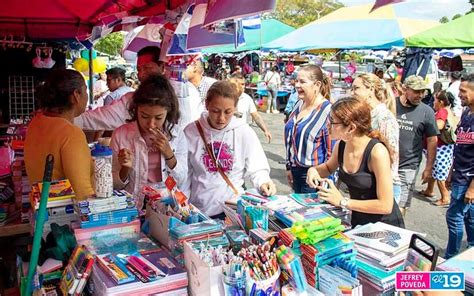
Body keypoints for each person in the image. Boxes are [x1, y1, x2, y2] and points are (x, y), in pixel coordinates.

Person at [306, 97, 405, 228]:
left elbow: (385, 205)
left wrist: (342, 201)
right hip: (359, 220)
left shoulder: (377, 152)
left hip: (384, 226)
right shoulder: (341, 145)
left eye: (332, 122)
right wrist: (313, 170)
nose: (327, 125)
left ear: (351, 128)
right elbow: (328, 167)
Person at [184, 80, 276, 219]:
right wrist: (183, 205)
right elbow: (185, 175)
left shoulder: (244, 131)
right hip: (200, 211)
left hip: (233, 210)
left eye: (228, 112)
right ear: (207, 105)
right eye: (215, 111)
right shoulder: (191, 132)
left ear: (235, 108)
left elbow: (257, 166)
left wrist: (263, 181)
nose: (221, 118)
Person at [74, 46, 201, 130]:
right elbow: (99, 117)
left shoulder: (187, 93)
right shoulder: (133, 100)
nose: (141, 74)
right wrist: (66, 119)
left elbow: (191, 127)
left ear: (162, 67)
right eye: (139, 69)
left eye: (147, 68)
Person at [110, 75, 187, 198]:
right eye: (144, 116)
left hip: (165, 205)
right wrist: (125, 168)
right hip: (133, 206)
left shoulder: (176, 135)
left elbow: (182, 181)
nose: (151, 124)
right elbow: (114, 185)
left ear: (168, 112)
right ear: (136, 110)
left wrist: (169, 155)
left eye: (158, 118)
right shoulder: (121, 135)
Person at [25, 69, 94, 199]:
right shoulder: (71, 134)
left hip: (42, 211)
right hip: (65, 215)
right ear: (76, 95)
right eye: (85, 90)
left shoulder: (36, 122)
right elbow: (83, 193)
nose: (87, 95)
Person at [351, 73, 401, 203]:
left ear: (371, 89)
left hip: (384, 188)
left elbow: (392, 156)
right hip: (368, 185)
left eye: (356, 88)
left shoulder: (384, 118)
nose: (352, 93)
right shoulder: (367, 115)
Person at [284, 65, 333, 194]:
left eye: (302, 82)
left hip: (314, 177)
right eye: (297, 80)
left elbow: (331, 152)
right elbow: (290, 138)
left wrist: (326, 181)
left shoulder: (328, 111)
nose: (297, 85)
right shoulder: (299, 104)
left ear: (317, 85)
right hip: (295, 172)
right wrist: (289, 167)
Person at [396, 75, 439, 216]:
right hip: (386, 162)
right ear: (404, 89)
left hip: (409, 166)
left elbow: (432, 140)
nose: (420, 95)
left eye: (423, 92)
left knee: (400, 206)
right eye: (416, 91)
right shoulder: (391, 105)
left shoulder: (427, 112)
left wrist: (429, 167)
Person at [445, 73, 474, 259]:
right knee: (470, 218)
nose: (459, 95)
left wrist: (472, 188)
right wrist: (450, 171)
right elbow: (460, 147)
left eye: (463, 91)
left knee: (453, 216)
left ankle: (451, 257)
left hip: (468, 180)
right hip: (459, 174)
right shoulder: (466, 113)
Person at [420, 91, 458, 207]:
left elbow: (440, 125)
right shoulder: (449, 111)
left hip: (440, 147)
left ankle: (445, 197)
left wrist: (426, 125)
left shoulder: (442, 111)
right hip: (444, 147)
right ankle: (429, 190)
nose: (433, 102)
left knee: (440, 173)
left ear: (441, 102)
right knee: (434, 170)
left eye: (435, 99)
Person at [228, 74, 272, 143]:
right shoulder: (225, 97)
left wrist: (265, 130)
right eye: (242, 84)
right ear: (234, 85)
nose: (244, 86)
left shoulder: (247, 98)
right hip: (227, 134)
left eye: (244, 84)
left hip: (241, 134)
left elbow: (255, 116)